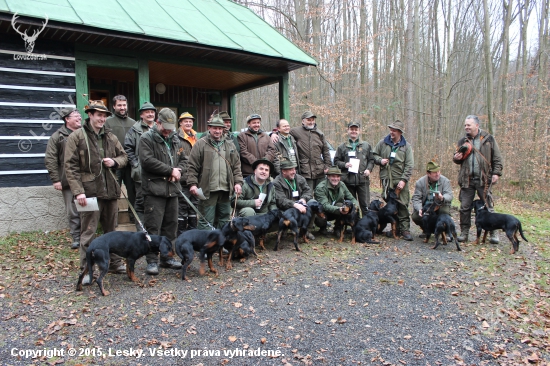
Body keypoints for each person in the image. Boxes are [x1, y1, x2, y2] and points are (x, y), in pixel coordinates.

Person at [64, 100, 127, 283]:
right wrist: (78, 192)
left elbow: (124, 157)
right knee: (88, 232)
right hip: (89, 193)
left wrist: (114, 162)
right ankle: (86, 269)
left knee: (112, 232)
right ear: (90, 115)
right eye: (98, 115)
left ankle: (114, 263)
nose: (102, 118)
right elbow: (70, 167)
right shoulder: (77, 137)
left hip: (111, 191)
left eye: (104, 115)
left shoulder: (110, 136)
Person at [139, 108, 186, 275]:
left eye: (170, 128)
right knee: (153, 227)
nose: (167, 131)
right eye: (165, 127)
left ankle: (167, 257)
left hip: (172, 191)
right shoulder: (146, 138)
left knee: (171, 226)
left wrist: (179, 171)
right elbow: (147, 161)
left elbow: (184, 159)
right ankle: (152, 260)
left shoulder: (175, 139)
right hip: (154, 191)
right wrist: (169, 170)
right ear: (157, 122)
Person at [453, 115, 503, 243]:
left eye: (468, 125)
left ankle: (493, 233)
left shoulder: (489, 139)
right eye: (465, 125)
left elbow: (497, 158)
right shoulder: (463, 140)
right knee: (464, 207)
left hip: (484, 180)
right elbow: (457, 158)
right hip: (467, 180)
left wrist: (496, 173)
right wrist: (456, 158)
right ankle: (464, 233)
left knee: (488, 206)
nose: (466, 127)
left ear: (477, 125)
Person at [187, 116, 243, 230]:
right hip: (208, 190)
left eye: (220, 128)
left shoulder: (230, 145)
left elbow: (236, 166)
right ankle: (206, 246)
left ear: (223, 129)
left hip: (226, 189)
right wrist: (192, 183)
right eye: (215, 128)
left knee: (224, 219)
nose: (217, 131)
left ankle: (222, 245)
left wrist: (238, 183)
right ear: (209, 128)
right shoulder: (200, 144)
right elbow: (192, 166)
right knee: (206, 220)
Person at [44, 106, 82, 249]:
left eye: (79, 115)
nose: (79, 117)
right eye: (75, 115)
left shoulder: (85, 132)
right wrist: (56, 179)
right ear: (67, 119)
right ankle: (76, 237)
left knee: (87, 207)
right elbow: (50, 159)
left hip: (85, 178)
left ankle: (86, 235)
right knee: (72, 210)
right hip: (67, 180)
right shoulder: (57, 136)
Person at [373, 120, 414, 241]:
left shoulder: (406, 146)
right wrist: (380, 160)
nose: (391, 132)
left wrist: (404, 180)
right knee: (389, 205)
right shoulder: (382, 143)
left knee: (402, 204)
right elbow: (373, 155)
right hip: (386, 179)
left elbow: (409, 165)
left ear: (400, 132)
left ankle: (405, 229)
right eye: (390, 129)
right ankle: (394, 228)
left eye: (394, 130)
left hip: (400, 180)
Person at [124, 102, 156, 231]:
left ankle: (153, 230)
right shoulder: (134, 129)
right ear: (141, 114)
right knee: (141, 203)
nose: (150, 114)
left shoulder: (158, 128)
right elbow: (128, 148)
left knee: (154, 203)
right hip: (141, 174)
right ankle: (142, 230)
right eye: (147, 112)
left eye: (152, 112)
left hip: (157, 174)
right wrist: (136, 164)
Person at [105, 95, 136, 221]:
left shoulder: (133, 123)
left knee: (132, 191)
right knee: (113, 191)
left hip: (130, 163)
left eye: (124, 105)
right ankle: (113, 218)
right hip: (115, 162)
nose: (122, 108)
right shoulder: (108, 122)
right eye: (119, 105)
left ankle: (133, 216)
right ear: (114, 106)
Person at [334, 122, 374, 216]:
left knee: (365, 205)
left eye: (356, 129)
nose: (354, 131)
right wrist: (345, 164)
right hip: (347, 180)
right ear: (348, 130)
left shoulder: (366, 145)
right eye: (352, 129)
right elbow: (336, 162)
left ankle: (366, 225)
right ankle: (353, 225)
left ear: (359, 131)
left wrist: (368, 169)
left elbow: (371, 160)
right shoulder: (342, 147)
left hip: (362, 179)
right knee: (350, 205)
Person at [272, 158, 315, 240]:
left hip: (300, 203)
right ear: (283, 171)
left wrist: (303, 199)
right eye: (291, 170)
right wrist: (295, 205)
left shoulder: (299, 178)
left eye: (294, 169)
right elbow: (281, 201)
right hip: (285, 207)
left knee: (313, 202)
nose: (294, 172)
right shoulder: (276, 182)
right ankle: (284, 229)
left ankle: (306, 230)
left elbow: (308, 191)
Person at [288, 111, 331, 190]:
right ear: (303, 121)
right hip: (305, 171)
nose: (311, 122)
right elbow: (283, 132)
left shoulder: (320, 133)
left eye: (313, 120)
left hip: (319, 170)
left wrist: (327, 166)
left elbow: (326, 151)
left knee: (320, 194)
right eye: (309, 120)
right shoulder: (295, 131)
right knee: (307, 195)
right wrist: (273, 134)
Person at [411, 161, 453, 237]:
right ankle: (427, 231)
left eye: (438, 171)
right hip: (427, 207)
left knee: (444, 213)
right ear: (428, 173)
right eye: (434, 172)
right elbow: (416, 198)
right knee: (416, 216)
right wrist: (419, 208)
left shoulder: (445, 181)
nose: (438, 174)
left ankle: (445, 232)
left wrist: (442, 197)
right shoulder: (420, 182)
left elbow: (449, 195)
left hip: (440, 205)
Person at [314, 166, 358, 235]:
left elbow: (351, 198)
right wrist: (339, 209)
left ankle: (337, 228)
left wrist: (355, 207)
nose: (336, 179)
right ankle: (323, 228)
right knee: (319, 218)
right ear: (328, 177)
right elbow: (325, 205)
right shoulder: (321, 187)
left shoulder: (342, 185)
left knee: (343, 206)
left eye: (338, 177)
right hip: (324, 211)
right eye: (333, 176)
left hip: (336, 210)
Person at [176, 112, 199, 234]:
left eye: (190, 121)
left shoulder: (196, 137)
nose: (188, 123)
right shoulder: (176, 137)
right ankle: (181, 235)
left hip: (195, 178)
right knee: (182, 207)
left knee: (194, 206)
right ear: (180, 123)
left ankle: (193, 234)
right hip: (183, 178)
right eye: (186, 121)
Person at [238, 113, 279, 178]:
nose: (256, 125)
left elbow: (272, 150)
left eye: (258, 123)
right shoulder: (242, 136)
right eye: (254, 123)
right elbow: (243, 152)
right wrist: (257, 163)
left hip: (264, 173)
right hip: (249, 173)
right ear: (249, 124)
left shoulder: (265, 136)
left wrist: (265, 161)